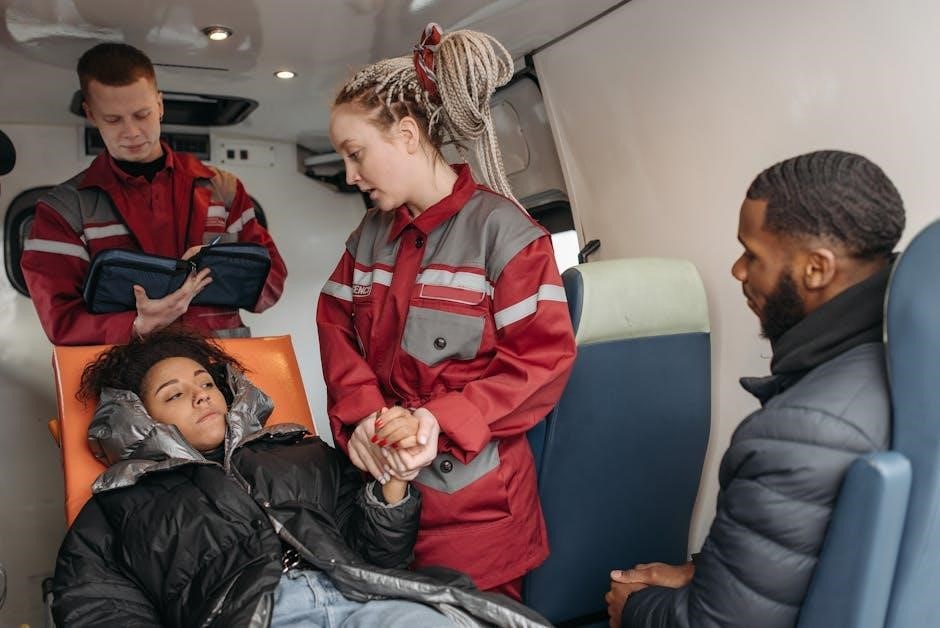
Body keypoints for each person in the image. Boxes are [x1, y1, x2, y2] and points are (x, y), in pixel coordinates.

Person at [317, 23, 577, 600]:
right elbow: (336, 328)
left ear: (407, 135)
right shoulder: (368, 237)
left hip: (474, 516)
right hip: (383, 497)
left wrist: (440, 420)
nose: (350, 175)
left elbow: (541, 364)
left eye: (356, 155)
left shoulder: (506, 234)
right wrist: (363, 419)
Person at [51, 328, 550, 627]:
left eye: (206, 382)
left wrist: (392, 481)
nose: (202, 395)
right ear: (140, 417)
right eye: (175, 394)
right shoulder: (117, 507)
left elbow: (379, 555)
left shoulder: (299, 452)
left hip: (361, 598)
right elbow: (99, 608)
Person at [605, 150, 905, 628]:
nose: (738, 271)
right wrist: (699, 573)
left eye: (752, 254)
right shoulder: (900, 360)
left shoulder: (798, 430)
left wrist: (635, 608)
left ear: (816, 269)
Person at [21, 42, 287, 345]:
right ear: (90, 114)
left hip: (220, 365)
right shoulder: (63, 211)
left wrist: (219, 267)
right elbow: (61, 320)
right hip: (132, 369)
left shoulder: (224, 190)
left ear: (160, 105)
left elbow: (273, 285)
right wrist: (136, 325)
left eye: (142, 114)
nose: (132, 132)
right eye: (113, 119)